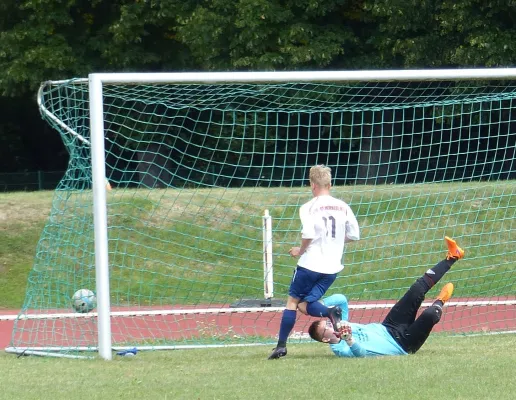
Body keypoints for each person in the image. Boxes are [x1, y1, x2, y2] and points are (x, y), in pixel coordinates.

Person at [307, 236, 464, 357]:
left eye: (327, 323)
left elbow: (341, 299)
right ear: (325, 339)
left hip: (389, 326)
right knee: (430, 314)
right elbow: (360, 354)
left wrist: (314, 306)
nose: (329, 326)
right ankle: (440, 301)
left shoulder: (339, 323)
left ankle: (453, 256)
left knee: (416, 289)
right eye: (325, 329)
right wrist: (349, 339)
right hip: (402, 344)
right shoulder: (339, 348)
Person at [268, 164, 360, 359]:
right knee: (305, 305)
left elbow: (308, 233)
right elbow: (354, 234)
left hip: (310, 265)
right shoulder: (343, 206)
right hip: (332, 268)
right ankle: (330, 312)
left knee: (293, 302)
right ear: (330, 184)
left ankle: (281, 346)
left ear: (312, 185)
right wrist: (334, 241)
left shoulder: (308, 207)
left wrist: (299, 250)